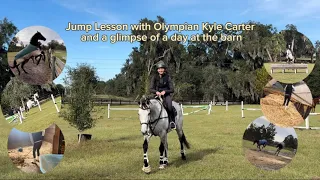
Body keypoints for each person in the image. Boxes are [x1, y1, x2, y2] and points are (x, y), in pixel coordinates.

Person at [150, 60, 176, 129]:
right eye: (159, 69)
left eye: (162, 68)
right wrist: (156, 92)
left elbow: (172, 89)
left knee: (169, 106)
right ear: (157, 70)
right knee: (149, 107)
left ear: (164, 69)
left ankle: (172, 121)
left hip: (166, 95)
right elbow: (151, 89)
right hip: (157, 95)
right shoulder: (154, 77)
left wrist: (165, 91)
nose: (160, 70)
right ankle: (149, 122)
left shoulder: (168, 77)